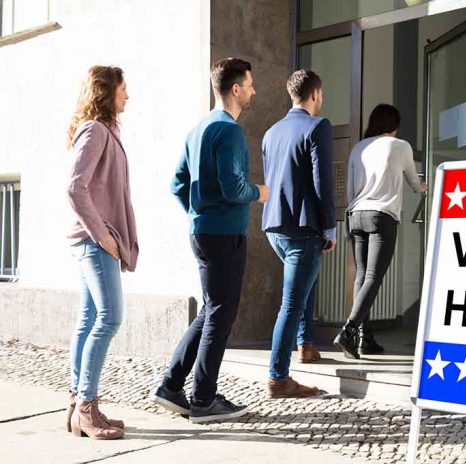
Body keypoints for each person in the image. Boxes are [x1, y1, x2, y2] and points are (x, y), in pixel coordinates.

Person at [152, 58, 269, 423]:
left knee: (210, 310)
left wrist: (197, 212)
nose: (253, 91)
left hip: (201, 231)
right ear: (235, 89)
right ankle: (203, 400)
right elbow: (234, 188)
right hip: (223, 234)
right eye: (249, 85)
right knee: (220, 313)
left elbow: (177, 184)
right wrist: (259, 193)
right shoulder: (229, 131)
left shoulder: (198, 128)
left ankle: (172, 386)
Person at [66, 65, 138, 439]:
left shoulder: (107, 130)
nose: (128, 95)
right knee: (109, 318)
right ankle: (87, 407)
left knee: (88, 318)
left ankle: (77, 404)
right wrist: (104, 236)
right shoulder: (95, 130)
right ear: (107, 92)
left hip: (92, 239)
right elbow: (75, 187)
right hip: (95, 241)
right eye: (123, 89)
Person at [262, 69, 335, 397]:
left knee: (306, 283)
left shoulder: (271, 133)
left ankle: (306, 344)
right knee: (291, 302)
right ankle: (278, 377)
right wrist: (329, 226)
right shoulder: (318, 126)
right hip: (303, 227)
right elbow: (322, 182)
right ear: (315, 94)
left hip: (273, 225)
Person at [334, 104, 426, 359]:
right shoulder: (400, 146)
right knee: (373, 276)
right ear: (394, 126)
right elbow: (413, 184)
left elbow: (351, 191)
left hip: (356, 215)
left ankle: (365, 338)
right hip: (381, 215)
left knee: (362, 275)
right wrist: (424, 186)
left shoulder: (358, 148)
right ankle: (349, 330)